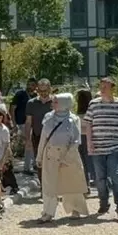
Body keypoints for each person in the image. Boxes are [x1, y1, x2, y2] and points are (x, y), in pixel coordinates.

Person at [35, 93, 89, 223]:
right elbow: (43, 138)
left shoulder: (74, 119)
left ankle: (75, 209)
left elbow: (76, 141)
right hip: (50, 155)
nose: (52, 104)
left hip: (68, 155)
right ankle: (48, 212)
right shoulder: (48, 117)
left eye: (55, 101)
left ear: (64, 103)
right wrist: (39, 156)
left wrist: (67, 158)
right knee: (49, 184)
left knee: (72, 183)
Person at [84, 76, 118, 221]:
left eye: (105, 86)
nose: (102, 88)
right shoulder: (93, 104)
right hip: (98, 147)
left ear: (113, 88)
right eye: (101, 86)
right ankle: (104, 203)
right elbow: (88, 125)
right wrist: (89, 143)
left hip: (115, 146)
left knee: (116, 175)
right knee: (100, 178)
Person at [24, 78, 54, 181]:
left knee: (53, 163)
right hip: (37, 136)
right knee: (39, 162)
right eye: (40, 91)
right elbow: (28, 122)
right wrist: (27, 139)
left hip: (53, 138)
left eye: (45, 90)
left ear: (50, 89)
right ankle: (43, 187)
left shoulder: (55, 102)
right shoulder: (31, 103)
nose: (43, 93)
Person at [14, 78, 37, 172]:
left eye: (32, 85)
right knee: (29, 143)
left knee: (30, 144)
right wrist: (14, 123)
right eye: (29, 84)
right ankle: (32, 165)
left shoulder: (36, 96)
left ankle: (28, 166)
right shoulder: (20, 94)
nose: (30, 86)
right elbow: (12, 108)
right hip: (21, 123)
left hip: (32, 124)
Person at [75, 88, 95, 193]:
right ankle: (102, 184)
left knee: (83, 163)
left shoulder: (78, 115)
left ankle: (86, 185)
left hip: (80, 138)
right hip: (90, 137)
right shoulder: (93, 112)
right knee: (92, 162)